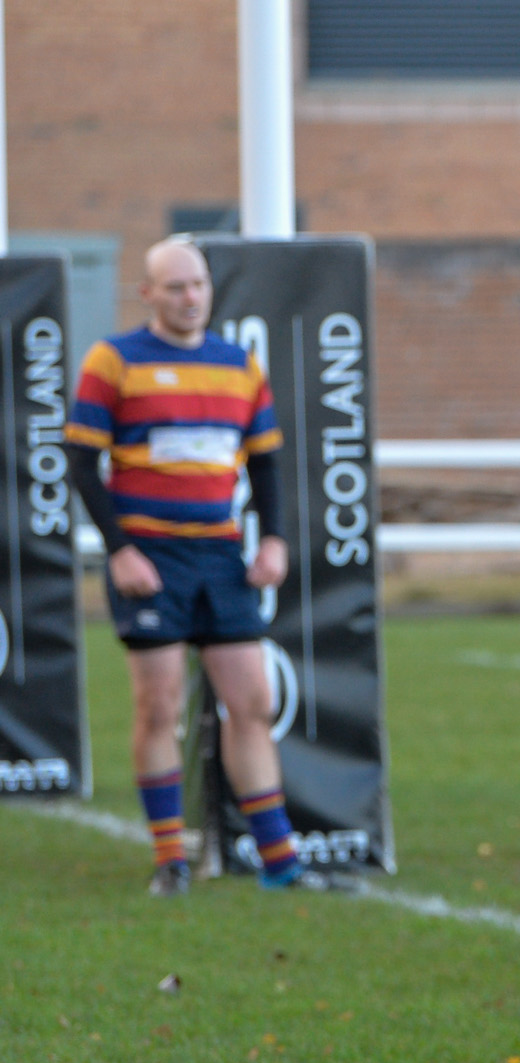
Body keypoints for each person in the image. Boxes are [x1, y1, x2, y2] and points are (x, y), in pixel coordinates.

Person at [62, 236, 339, 895]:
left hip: (221, 556)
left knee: (253, 702)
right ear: (148, 293)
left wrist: (273, 541)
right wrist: (120, 549)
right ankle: (171, 861)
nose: (190, 298)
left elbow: (265, 463)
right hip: (150, 557)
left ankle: (280, 863)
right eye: (176, 286)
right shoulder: (114, 359)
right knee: (159, 705)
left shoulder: (239, 364)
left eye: (199, 285)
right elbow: (81, 462)